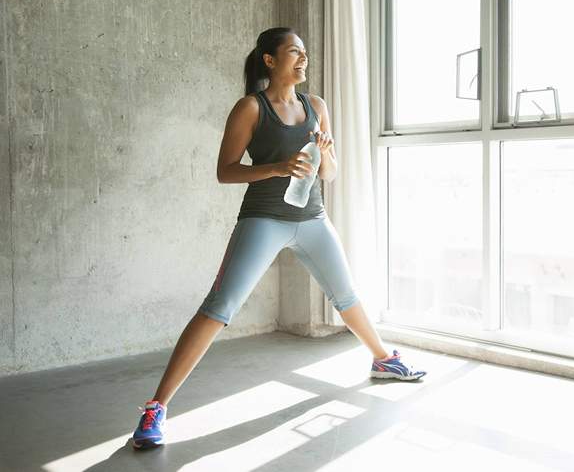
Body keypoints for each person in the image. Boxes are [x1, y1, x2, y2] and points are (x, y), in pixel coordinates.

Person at [131, 27, 426, 450]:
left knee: (346, 296)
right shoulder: (251, 108)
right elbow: (225, 170)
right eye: (294, 52)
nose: (303, 59)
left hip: (312, 218)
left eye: (305, 53)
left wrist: (324, 151)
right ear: (270, 60)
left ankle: (383, 359)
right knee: (219, 308)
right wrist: (275, 168)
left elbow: (331, 174)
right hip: (264, 218)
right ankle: (155, 407)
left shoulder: (316, 106)